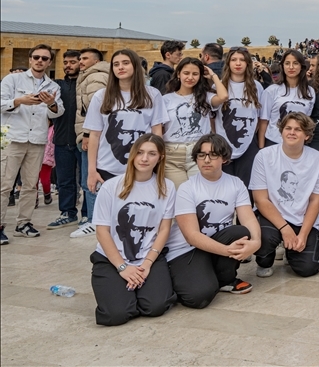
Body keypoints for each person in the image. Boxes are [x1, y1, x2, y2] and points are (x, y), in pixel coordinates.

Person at [89, 134, 176, 326]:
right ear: (132, 155)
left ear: (160, 157)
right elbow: (102, 232)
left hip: (148, 257)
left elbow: (163, 230)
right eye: (140, 152)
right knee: (116, 314)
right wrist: (123, 268)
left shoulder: (167, 187)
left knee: (155, 307)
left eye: (151, 153)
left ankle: (138, 290)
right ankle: (124, 294)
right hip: (112, 259)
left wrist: (146, 264)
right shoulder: (111, 186)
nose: (144, 158)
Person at [165, 134, 261, 306]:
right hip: (186, 250)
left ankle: (225, 280)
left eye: (213, 155)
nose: (206, 160)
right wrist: (227, 251)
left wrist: (256, 242)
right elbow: (191, 236)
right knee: (198, 298)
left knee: (240, 232)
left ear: (224, 158)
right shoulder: (187, 188)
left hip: (216, 244)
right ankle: (186, 276)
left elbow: (248, 218)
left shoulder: (235, 183)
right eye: (201, 155)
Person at [0, 44, 64, 244]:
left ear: (50, 62)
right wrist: (19, 101)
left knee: (30, 185)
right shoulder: (12, 79)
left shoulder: (53, 86)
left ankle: (23, 223)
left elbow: (58, 111)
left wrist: (51, 104)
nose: (40, 61)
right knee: (4, 184)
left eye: (45, 58)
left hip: (36, 140)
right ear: (29, 59)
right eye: (36, 57)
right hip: (13, 138)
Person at [251, 112, 319, 278]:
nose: (292, 132)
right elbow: (260, 199)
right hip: (272, 216)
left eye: (298, 129)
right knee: (265, 241)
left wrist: (303, 235)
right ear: (281, 131)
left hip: (301, 219)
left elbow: (315, 201)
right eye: (288, 128)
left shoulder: (318, 159)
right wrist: (285, 229)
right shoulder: (264, 156)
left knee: (308, 268)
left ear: (307, 135)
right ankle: (265, 259)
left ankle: (290, 251)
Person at [85, 49, 168, 194]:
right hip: (107, 169)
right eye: (116, 64)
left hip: (142, 168)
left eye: (125, 63)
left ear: (135, 66)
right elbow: (94, 135)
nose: (120, 67)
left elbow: (157, 132)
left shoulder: (152, 95)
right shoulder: (101, 96)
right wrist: (92, 170)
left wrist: (157, 165)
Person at [162, 58, 228, 187]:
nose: (190, 77)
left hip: (199, 152)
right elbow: (160, 127)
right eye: (186, 73)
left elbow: (223, 96)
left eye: (195, 74)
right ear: (178, 74)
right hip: (172, 154)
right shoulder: (166, 99)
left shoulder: (206, 96)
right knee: (179, 194)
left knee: (201, 191)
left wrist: (213, 75)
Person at [72, 48, 109, 239]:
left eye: (85, 58)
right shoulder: (90, 75)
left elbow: (93, 109)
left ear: (96, 61)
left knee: (90, 180)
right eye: (80, 58)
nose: (80, 61)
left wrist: (87, 134)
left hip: (90, 136)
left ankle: (95, 221)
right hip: (91, 134)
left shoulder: (95, 77)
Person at [219, 47, 265, 187]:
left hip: (249, 143)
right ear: (228, 63)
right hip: (223, 143)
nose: (238, 63)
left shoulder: (257, 87)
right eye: (234, 60)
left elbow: (260, 117)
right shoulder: (219, 86)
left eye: (242, 60)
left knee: (247, 185)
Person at [48, 50, 81, 230]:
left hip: (82, 140)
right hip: (61, 138)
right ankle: (67, 213)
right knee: (64, 180)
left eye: (73, 62)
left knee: (85, 180)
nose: (68, 65)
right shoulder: (56, 85)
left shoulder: (86, 86)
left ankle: (88, 215)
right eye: (66, 62)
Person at [257, 49, 314, 148]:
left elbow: (306, 122)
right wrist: (261, 149)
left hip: (297, 144)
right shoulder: (271, 91)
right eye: (287, 63)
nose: (291, 67)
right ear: (282, 66)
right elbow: (263, 122)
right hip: (274, 142)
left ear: (301, 66)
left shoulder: (309, 92)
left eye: (295, 63)